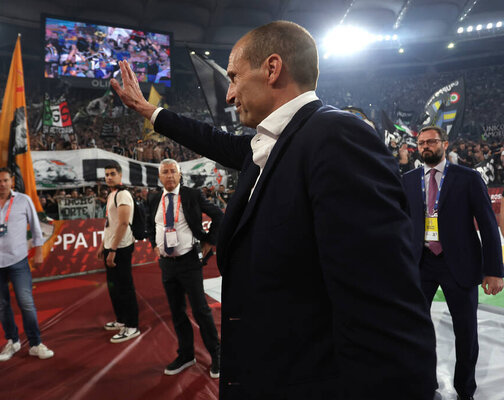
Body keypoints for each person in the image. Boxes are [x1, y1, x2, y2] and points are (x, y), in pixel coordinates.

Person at [112, 20, 437, 400]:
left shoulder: (335, 136)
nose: (229, 94)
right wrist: (150, 111)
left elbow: (384, 309)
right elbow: (214, 141)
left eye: (233, 76)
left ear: (271, 68)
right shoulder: (273, 144)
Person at [402, 126, 504, 400]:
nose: (426, 146)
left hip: (459, 263)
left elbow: (488, 224)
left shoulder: (468, 178)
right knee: (415, 330)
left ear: (444, 144)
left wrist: (494, 270)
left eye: (431, 141)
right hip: (420, 263)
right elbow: (400, 224)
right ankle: (422, 383)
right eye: (421, 142)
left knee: (466, 332)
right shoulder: (408, 180)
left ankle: (465, 390)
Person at [0, 167, 54, 362]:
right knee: (1, 305)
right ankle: (12, 341)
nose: (2, 184)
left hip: (18, 260)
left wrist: (39, 251)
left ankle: (35, 343)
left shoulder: (24, 200)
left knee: (26, 302)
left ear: (11, 181)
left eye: (5, 180)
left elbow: (36, 226)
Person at [146, 159, 222, 378]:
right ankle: (186, 355)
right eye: (165, 172)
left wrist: (209, 241)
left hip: (189, 261)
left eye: (173, 172)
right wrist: (154, 245)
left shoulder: (192, 195)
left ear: (180, 175)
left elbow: (218, 214)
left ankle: (217, 354)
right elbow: (152, 226)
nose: (169, 176)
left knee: (201, 310)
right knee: (177, 312)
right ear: (159, 177)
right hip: (167, 265)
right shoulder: (153, 199)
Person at [96, 162, 140, 343]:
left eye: (112, 174)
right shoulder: (112, 194)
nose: (109, 177)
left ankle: (132, 326)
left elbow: (123, 223)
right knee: (114, 287)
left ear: (120, 176)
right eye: (106, 174)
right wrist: (103, 245)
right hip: (111, 246)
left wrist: (112, 249)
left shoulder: (123, 194)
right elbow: (110, 223)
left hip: (120, 247)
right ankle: (122, 320)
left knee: (125, 287)